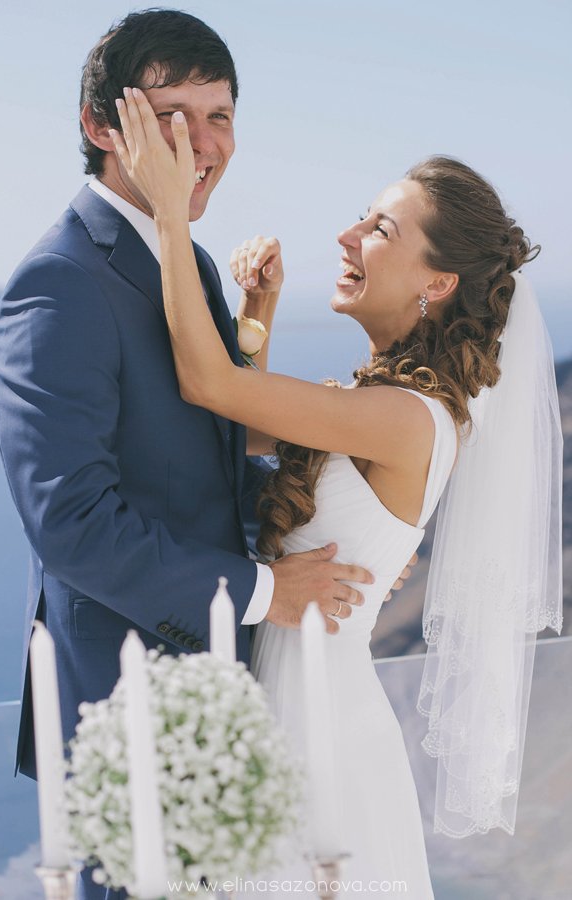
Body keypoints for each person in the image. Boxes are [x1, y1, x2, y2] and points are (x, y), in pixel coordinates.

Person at [110, 91, 562, 896]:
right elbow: (237, 430)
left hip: (322, 730)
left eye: (380, 230)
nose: (348, 237)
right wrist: (258, 311)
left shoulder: (406, 418)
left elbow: (208, 385)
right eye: (361, 218)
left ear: (437, 282)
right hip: (294, 703)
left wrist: (171, 214)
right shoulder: (379, 404)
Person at [0, 11, 388, 900]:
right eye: (172, 116)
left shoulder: (192, 265)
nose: (204, 144)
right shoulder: (59, 283)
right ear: (102, 126)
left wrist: (342, 542)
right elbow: (72, 525)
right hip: (123, 711)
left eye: (221, 116)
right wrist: (265, 592)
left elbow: (209, 457)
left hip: (222, 698)